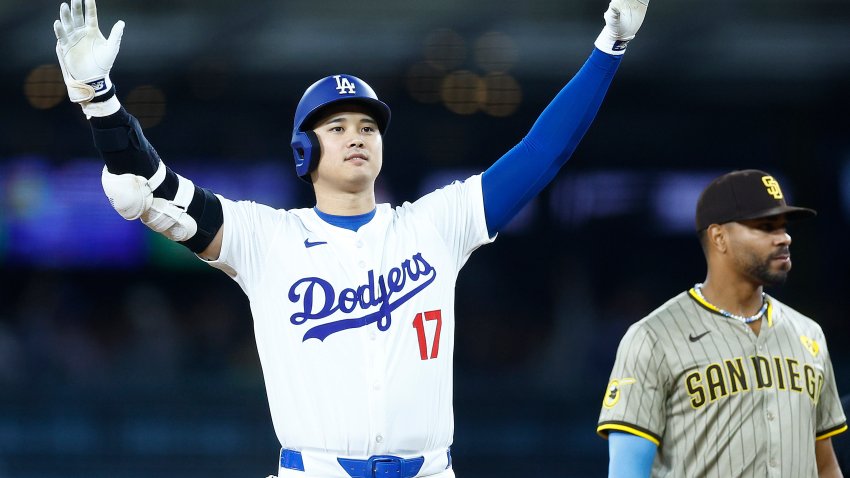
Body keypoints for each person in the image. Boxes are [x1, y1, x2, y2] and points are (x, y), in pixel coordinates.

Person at [53, 0, 651, 476]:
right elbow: (152, 180)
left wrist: (609, 47)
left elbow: (543, 153)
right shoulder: (267, 237)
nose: (356, 135)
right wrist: (98, 101)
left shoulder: (433, 225)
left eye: (367, 125)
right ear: (305, 149)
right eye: (337, 126)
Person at [597, 169, 847, 477]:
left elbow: (825, 466)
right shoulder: (652, 338)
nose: (784, 237)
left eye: (783, 226)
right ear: (719, 237)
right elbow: (627, 473)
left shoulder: (809, 334)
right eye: (766, 226)